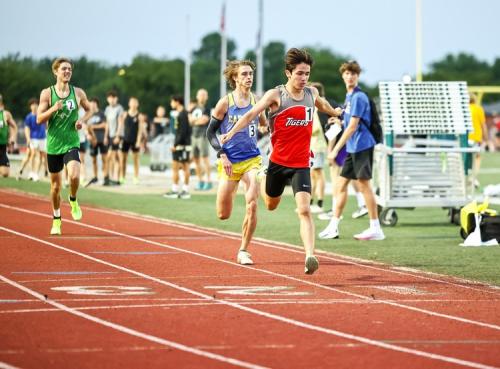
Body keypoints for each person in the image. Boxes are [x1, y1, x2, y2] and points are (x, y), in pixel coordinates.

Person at [220, 48, 342, 274]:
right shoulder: (275, 95)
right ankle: (265, 179)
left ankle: (309, 256)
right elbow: (249, 115)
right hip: (277, 164)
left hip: (301, 164)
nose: (304, 78)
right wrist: (231, 132)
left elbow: (324, 106)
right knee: (270, 205)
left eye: (307, 73)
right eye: (299, 73)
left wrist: (337, 112)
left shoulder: (311, 93)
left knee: (304, 210)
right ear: (288, 73)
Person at [207, 60, 267, 265]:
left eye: (250, 73)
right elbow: (210, 132)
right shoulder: (225, 102)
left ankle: (243, 250)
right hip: (230, 162)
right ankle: (232, 188)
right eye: (244, 74)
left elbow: (263, 123)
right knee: (223, 214)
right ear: (235, 78)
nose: (249, 77)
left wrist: (265, 128)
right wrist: (222, 155)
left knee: (252, 204)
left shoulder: (256, 99)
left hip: (252, 160)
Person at [319, 60, 385, 241]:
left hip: (362, 145)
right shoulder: (349, 97)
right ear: (343, 75)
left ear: (358, 76)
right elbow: (349, 123)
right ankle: (333, 226)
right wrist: (339, 121)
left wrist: (334, 150)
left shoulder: (358, 97)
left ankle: (375, 227)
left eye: (353, 74)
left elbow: (353, 127)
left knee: (364, 186)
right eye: (347, 74)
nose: (350, 77)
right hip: (353, 147)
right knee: (340, 185)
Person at [36, 57, 91, 235]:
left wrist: (81, 120)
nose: (67, 72)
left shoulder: (78, 92)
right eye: (64, 69)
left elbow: (90, 109)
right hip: (53, 144)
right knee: (55, 187)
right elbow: (39, 119)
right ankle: (57, 219)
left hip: (71, 142)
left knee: (74, 176)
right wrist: (54, 108)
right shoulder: (47, 93)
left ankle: (73, 199)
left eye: (69, 69)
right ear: (55, 72)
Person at [164, 95, 192, 199]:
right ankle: (175, 190)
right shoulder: (180, 114)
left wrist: (176, 145)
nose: (171, 104)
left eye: (172, 102)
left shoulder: (183, 114)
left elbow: (183, 132)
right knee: (177, 167)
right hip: (181, 144)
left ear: (177, 102)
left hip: (182, 145)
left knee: (184, 167)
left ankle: (185, 191)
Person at [308, 82, 328, 214]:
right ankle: (311, 201)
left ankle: (320, 202)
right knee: (313, 174)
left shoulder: (319, 107)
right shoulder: (317, 107)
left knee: (319, 174)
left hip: (318, 145)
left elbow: (315, 129)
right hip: (313, 146)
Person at [18, 98, 47, 181]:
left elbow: (47, 124)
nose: (34, 106)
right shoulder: (29, 117)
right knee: (32, 154)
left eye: (36, 104)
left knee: (42, 156)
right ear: (30, 107)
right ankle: (30, 172)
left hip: (42, 138)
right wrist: (28, 139)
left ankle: (36, 173)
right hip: (33, 138)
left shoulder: (41, 114)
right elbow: (27, 129)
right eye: (32, 105)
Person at [189, 89, 213, 191]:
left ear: (206, 97)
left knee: (205, 159)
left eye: (204, 95)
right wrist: (195, 121)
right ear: (197, 96)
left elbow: (204, 121)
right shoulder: (193, 108)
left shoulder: (207, 109)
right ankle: (200, 180)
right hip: (194, 136)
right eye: (201, 95)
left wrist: (195, 121)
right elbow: (189, 120)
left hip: (203, 135)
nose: (202, 96)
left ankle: (208, 181)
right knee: (196, 159)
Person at [117, 96, 142, 184]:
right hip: (125, 139)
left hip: (135, 140)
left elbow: (140, 130)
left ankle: (136, 177)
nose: (133, 104)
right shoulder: (125, 114)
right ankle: (122, 177)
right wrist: (117, 136)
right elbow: (120, 126)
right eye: (132, 102)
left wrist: (138, 141)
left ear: (137, 104)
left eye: (135, 102)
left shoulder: (139, 116)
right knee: (123, 159)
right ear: (129, 104)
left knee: (136, 159)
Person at [86, 98, 109, 186]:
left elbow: (104, 125)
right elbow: (86, 126)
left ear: (97, 104)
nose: (92, 105)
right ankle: (95, 177)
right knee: (94, 159)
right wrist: (88, 134)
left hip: (102, 138)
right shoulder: (88, 114)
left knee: (104, 159)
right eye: (91, 103)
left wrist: (93, 127)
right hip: (93, 140)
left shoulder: (101, 114)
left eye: (94, 103)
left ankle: (105, 177)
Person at [104, 90, 124, 185]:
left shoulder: (119, 108)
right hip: (110, 135)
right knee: (112, 157)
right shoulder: (107, 109)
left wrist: (117, 136)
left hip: (117, 136)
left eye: (114, 98)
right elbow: (107, 123)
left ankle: (116, 178)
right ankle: (113, 177)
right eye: (110, 98)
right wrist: (105, 136)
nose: (112, 100)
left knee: (113, 156)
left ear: (116, 99)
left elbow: (120, 123)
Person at [468, 93, 487, 188]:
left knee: (464, 158)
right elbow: (483, 125)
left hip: (464, 137)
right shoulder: (478, 109)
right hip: (475, 137)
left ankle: (466, 178)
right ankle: (473, 178)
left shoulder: (464, 109)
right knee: (477, 158)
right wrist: (486, 139)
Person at [0, 94, 18, 178]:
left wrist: (12, 137)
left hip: (2, 147)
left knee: (5, 173)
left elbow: (14, 127)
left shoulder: (5, 114)